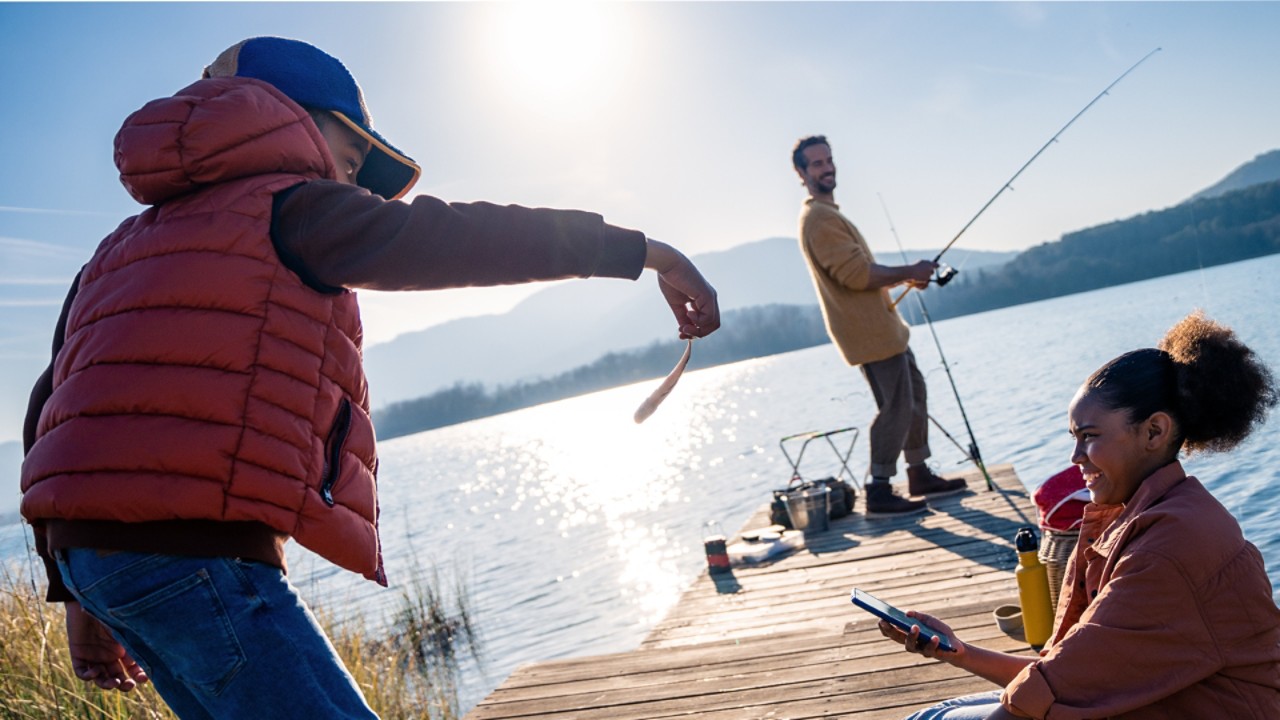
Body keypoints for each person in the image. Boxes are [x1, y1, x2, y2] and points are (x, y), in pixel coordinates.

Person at [19, 37, 719, 718]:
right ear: (286, 118)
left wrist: (74, 589)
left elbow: (52, 409)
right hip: (198, 554)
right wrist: (648, 252)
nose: (351, 184)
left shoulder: (117, 250)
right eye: (350, 158)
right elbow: (458, 240)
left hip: (99, 557)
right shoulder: (290, 207)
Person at [878, 311, 1280, 719]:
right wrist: (959, 653)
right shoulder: (1153, 515)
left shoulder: (1170, 546)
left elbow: (1049, 690)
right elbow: (1065, 674)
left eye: (1089, 437)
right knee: (947, 710)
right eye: (1074, 438)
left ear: (1154, 432)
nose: (1075, 458)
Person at [791, 135, 966, 517]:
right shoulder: (819, 219)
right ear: (801, 173)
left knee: (914, 395)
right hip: (868, 333)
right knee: (896, 407)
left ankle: (918, 473)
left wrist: (907, 278)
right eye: (817, 164)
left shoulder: (829, 215)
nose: (827, 168)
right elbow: (856, 275)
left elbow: (860, 272)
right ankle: (880, 489)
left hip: (884, 328)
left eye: (829, 160)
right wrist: (908, 271)